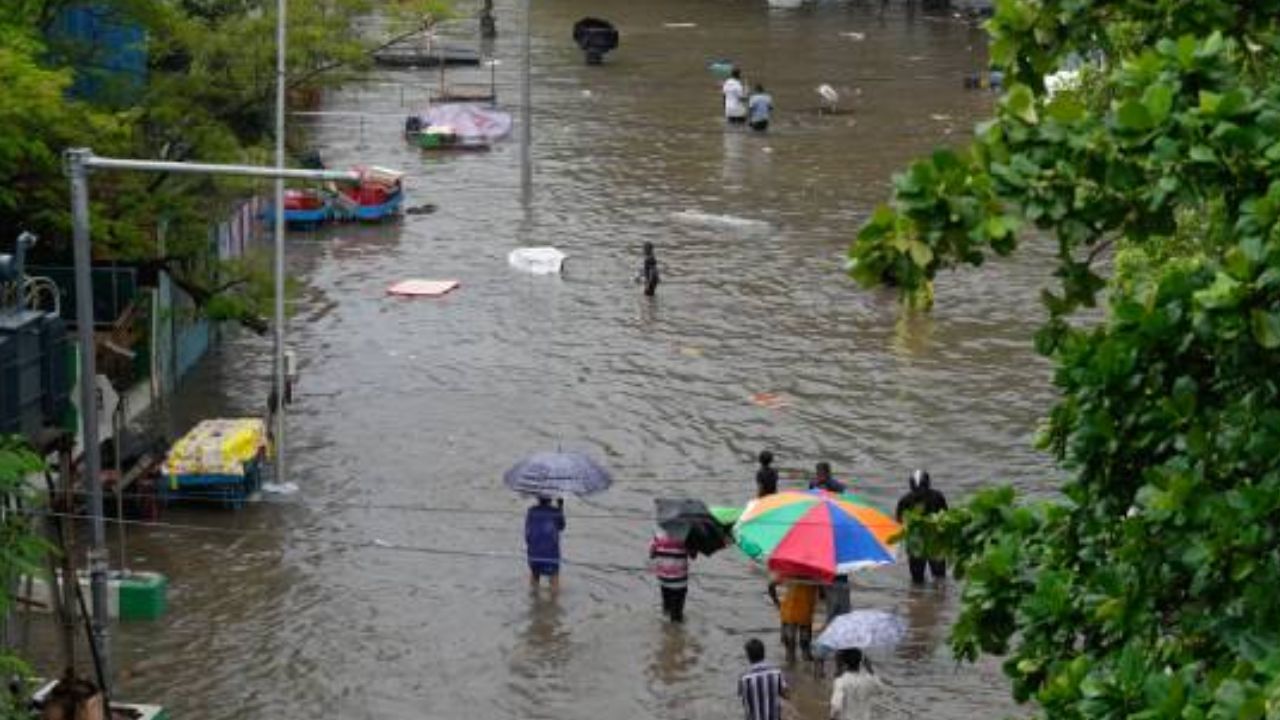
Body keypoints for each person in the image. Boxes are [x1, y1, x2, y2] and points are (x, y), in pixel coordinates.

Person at [895, 469, 949, 584]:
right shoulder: (905, 501)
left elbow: (946, 517)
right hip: (915, 542)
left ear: (928, 485)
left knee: (939, 576)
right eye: (916, 489)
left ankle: (938, 598)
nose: (919, 492)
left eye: (922, 488)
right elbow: (899, 522)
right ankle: (917, 598)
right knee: (917, 578)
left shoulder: (937, 497)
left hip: (935, 540)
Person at [829, 648, 888, 720]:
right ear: (861, 662)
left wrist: (832, 717)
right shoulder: (869, 679)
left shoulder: (841, 681)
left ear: (845, 662)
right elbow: (881, 689)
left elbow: (836, 706)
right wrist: (870, 670)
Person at [738, 638, 789, 720]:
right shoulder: (777, 673)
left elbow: (744, 699)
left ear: (748, 656)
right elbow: (786, 695)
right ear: (763, 653)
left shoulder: (744, 679)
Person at [769, 579, 817, 663]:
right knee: (805, 649)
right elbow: (822, 594)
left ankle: (790, 671)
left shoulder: (788, 573)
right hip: (805, 614)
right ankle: (807, 672)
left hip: (788, 614)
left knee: (790, 649)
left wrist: (777, 602)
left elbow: (771, 586)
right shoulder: (814, 576)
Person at [650, 527, 691, 622]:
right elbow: (693, 555)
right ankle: (674, 634)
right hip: (679, 582)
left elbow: (652, 554)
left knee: (666, 610)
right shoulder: (685, 536)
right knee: (677, 616)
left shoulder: (658, 535)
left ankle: (665, 630)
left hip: (663, 580)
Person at [525, 496, 566, 590]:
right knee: (554, 577)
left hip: (534, 552)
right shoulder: (555, 512)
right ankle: (554, 602)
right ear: (551, 498)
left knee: (535, 575)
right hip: (551, 553)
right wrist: (560, 507)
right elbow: (562, 526)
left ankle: (534, 598)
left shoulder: (531, 511)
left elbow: (527, 534)